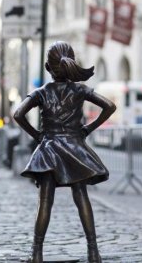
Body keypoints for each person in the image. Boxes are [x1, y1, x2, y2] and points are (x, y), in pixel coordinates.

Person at [13, 41, 116, 263]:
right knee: (81, 197)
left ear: (47, 67)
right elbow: (109, 106)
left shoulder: (41, 92)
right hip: (75, 149)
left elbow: (18, 114)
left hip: (49, 149)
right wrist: (87, 129)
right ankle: (93, 252)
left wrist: (37, 135)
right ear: (70, 64)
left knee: (45, 201)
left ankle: (37, 253)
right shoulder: (80, 90)